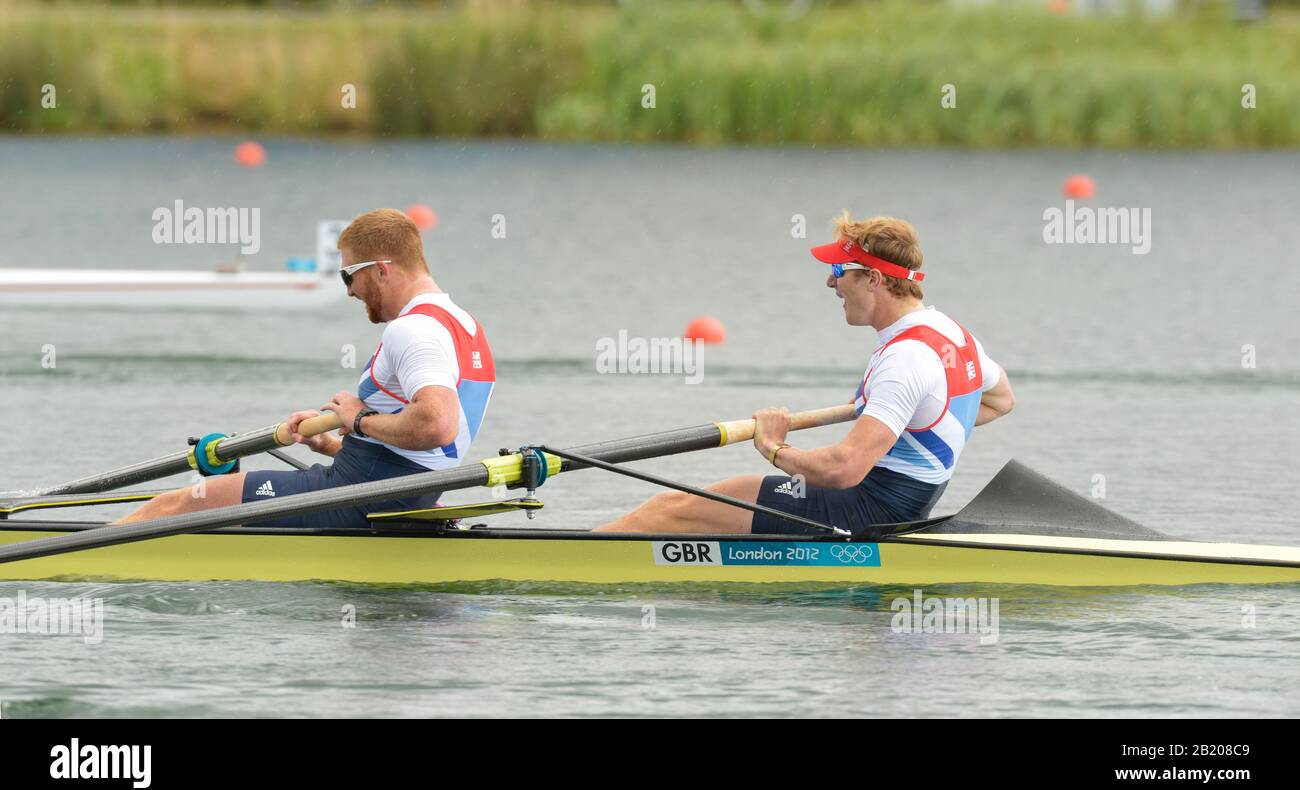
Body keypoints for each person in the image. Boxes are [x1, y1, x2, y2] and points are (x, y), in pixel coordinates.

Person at [596, 212, 1014, 535]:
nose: (830, 282)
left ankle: (573, 562)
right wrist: (907, 418)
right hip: (901, 503)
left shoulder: (905, 359)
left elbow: (842, 470)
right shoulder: (953, 334)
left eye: (839, 271)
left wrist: (774, 446)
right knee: (695, 506)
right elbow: (1000, 400)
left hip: (861, 510)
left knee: (672, 510)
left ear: (873, 279)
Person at [117, 208, 495, 528]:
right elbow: (414, 460)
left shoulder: (412, 329)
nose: (349, 290)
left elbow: (437, 426)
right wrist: (330, 444)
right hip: (400, 495)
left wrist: (358, 419)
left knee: (179, 504)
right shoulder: (466, 327)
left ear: (382, 269)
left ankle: (83, 560)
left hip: (357, 498)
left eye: (349, 274)